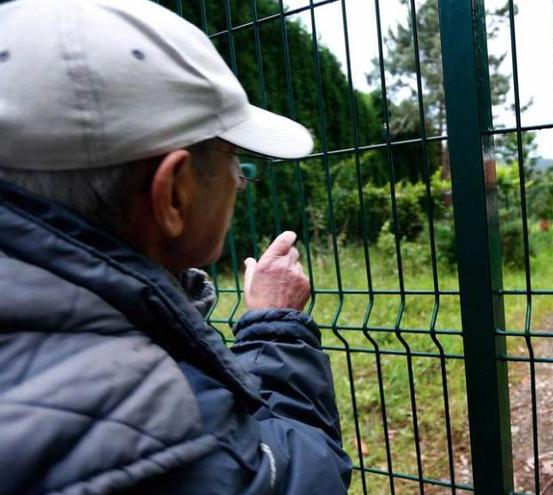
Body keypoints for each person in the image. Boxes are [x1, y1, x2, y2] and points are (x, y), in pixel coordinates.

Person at [0, 0, 351, 493]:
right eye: (235, 159)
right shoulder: (160, 424)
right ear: (173, 194)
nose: (241, 181)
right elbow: (304, 474)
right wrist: (277, 328)